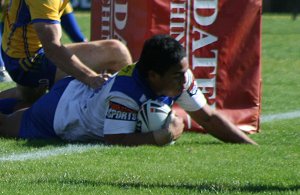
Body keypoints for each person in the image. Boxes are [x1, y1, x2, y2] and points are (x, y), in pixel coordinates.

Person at [0, 34, 257, 146]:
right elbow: (116, 139)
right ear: (154, 76)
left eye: (184, 72)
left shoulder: (179, 76)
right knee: (5, 125)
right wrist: (161, 137)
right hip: (59, 115)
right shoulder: (126, 92)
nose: (184, 80)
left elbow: (209, 118)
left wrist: (250, 145)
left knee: (21, 108)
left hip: (78, 93)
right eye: (177, 75)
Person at [0, 0, 132, 110]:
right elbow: (52, 47)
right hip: (29, 60)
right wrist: (91, 78)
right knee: (117, 51)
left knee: (28, 101)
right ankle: (131, 109)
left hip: (18, 54)